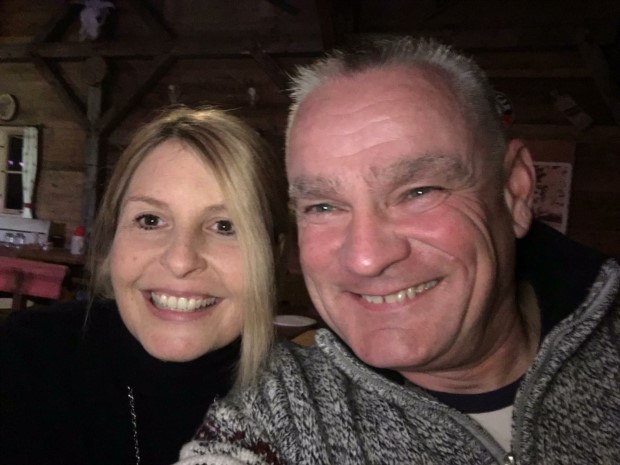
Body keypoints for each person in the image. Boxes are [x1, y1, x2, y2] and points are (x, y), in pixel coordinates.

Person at [176, 37, 620, 464]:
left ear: (514, 192)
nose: (366, 259)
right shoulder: (279, 411)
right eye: (323, 206)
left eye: (419, 191)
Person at [0, 106, 287, 465]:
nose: (180, 260)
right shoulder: (26, 358)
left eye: (226, 226)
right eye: (150, 220)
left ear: (274, 254)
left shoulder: (308, 405)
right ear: (112, 240)